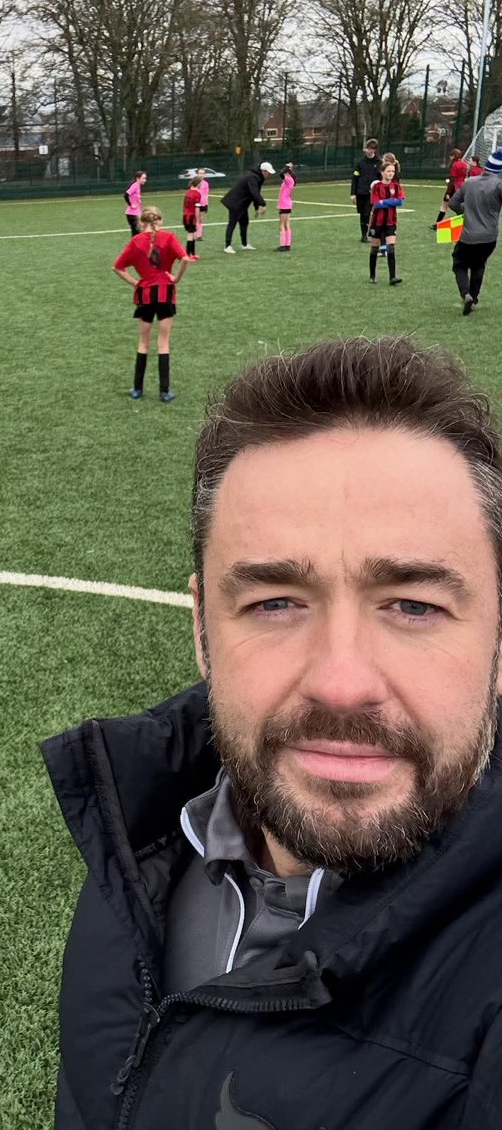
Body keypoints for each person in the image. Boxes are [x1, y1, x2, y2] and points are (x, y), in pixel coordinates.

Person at [43, 334, 502, 1130]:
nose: (341, 682)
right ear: (200, 627)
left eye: (413, 605)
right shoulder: (141, 832)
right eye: (275, 603)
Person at [112, 206, 188, 402]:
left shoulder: (136, 241)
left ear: (141, 222)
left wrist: (136, 282)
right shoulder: (169, 237)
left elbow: (117, 267)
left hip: (144, 295)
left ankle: (137, 389)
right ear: (159, 221)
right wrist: (176, 278)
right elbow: (185, 259)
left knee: (143, 343)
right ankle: (164, 391)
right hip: (165, 294)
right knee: (163, 343)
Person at [447, 145, 502, 314]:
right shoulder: (498, 185)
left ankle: (466, 294)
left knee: (459, 265)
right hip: (489, 236)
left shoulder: (469, 182)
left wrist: (464, 211)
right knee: (479, 265)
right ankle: (473, 297)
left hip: (468, 234)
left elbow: (453, 203)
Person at [220, 162, 274, 253]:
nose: (269, 175)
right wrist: (263, 204)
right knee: (232, 224)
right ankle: (227, 246)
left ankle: (244, 244)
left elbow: (256, 193)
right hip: (235, 202)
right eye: (268, 173)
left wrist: (256, 208)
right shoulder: (252, 178)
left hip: (242, 204)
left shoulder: (259, 178)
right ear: (264, 171)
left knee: (244, 222)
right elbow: (254, 193)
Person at [367, 158, 404, 285]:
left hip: (390, 222)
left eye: (392, 171)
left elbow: (400, 201)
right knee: (374, 249)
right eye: (388, 171)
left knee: (391, 248)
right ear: (382, 172)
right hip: (377, 222)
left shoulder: (396, 186)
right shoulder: (377, 187)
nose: (391, 173)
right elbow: (376, 204)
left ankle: (392, 277)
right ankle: (372, 275)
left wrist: (385, 201)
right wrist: (391, 201)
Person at [350, 138, 380, 241]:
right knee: (362, 214)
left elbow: (381, 178)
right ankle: (363, 235)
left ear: (375, 150)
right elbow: (355, 178)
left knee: (367, 213)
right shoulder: (360, 162)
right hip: (361, 192)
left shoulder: (378, 162)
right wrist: (353, 193)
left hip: (372, 193)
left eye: (372, 149)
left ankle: (369, 234)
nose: (369, 150)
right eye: (368, 148)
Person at [431, 147, 469, 229]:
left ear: (453, 156)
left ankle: (438, 224)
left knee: (445, 205)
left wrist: (448, 192)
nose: (450, 157)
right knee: (459, 205)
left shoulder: (454, 164)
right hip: (463, 186)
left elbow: (452, 180)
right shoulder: (464, 164)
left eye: (451, 155)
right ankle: (462, 224)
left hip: (455, 187)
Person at [276, 162, 296, 251]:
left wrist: (287, 167)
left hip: (284, 204)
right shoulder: (291, 180)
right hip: (288, 203)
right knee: (287, 224)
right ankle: (287, 244)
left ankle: (283, 245)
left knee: (282, 225)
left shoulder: (288, 179)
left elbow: (281, 173)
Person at [181, 175, 202, 259]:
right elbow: (197, 209)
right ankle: (188, 255)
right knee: (190, 235)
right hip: (191, 217)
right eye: (200, 183)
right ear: (198, 183)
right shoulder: (197, 194)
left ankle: (192, 254)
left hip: (185, 216)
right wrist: (198, 220)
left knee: (192, 234)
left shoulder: (187, 192)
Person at [124, 172, 147, 236]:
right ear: (138, 178)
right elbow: (126, 195)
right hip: (133, 215)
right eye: (143, 178)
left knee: (137, 234)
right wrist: (131, 205)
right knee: (138, 234)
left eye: (145, 178)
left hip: (135, 214)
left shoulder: (137, 185)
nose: (145, 180)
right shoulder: (135, 185)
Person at [195, 169, 210, 241]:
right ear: (197, 174)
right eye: (200, 173)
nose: (201, 175)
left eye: (202, 173)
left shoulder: (206, 183)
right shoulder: (194, 183)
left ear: (204, 175)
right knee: (195, 218)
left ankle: (199, 235)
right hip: (195, 204)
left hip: (203, 204)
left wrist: (206, 203)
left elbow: (206, 194)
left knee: (201, 219)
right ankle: (194, 234)